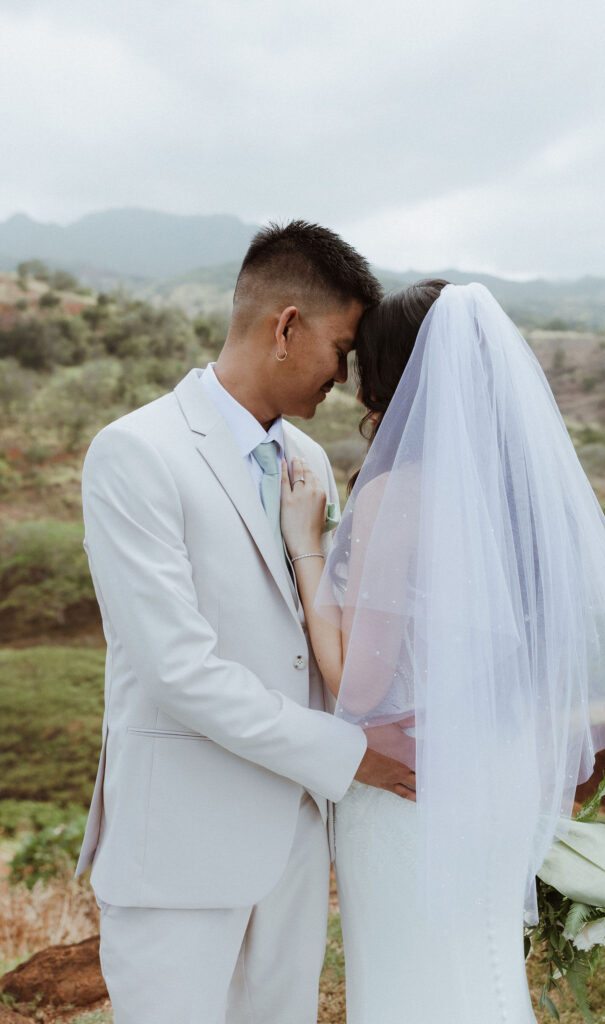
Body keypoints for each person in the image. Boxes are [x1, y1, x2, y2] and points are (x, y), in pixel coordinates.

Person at [280, 280, 605, 1023]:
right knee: (481, 970)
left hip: (409, 782)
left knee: (413, 977)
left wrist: (305, 550)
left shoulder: (399, 493)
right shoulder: (513, 497)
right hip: (495, 768)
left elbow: (360, 684)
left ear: (389, 373)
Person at [74, 220, 416, 1024]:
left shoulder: (309, 463)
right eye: (342, 346)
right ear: (286, 327)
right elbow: (177, 669)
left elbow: (319, 637)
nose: (349, 373)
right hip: (179, 852)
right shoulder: (136, 452)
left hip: (294, 845)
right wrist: (351, 754)